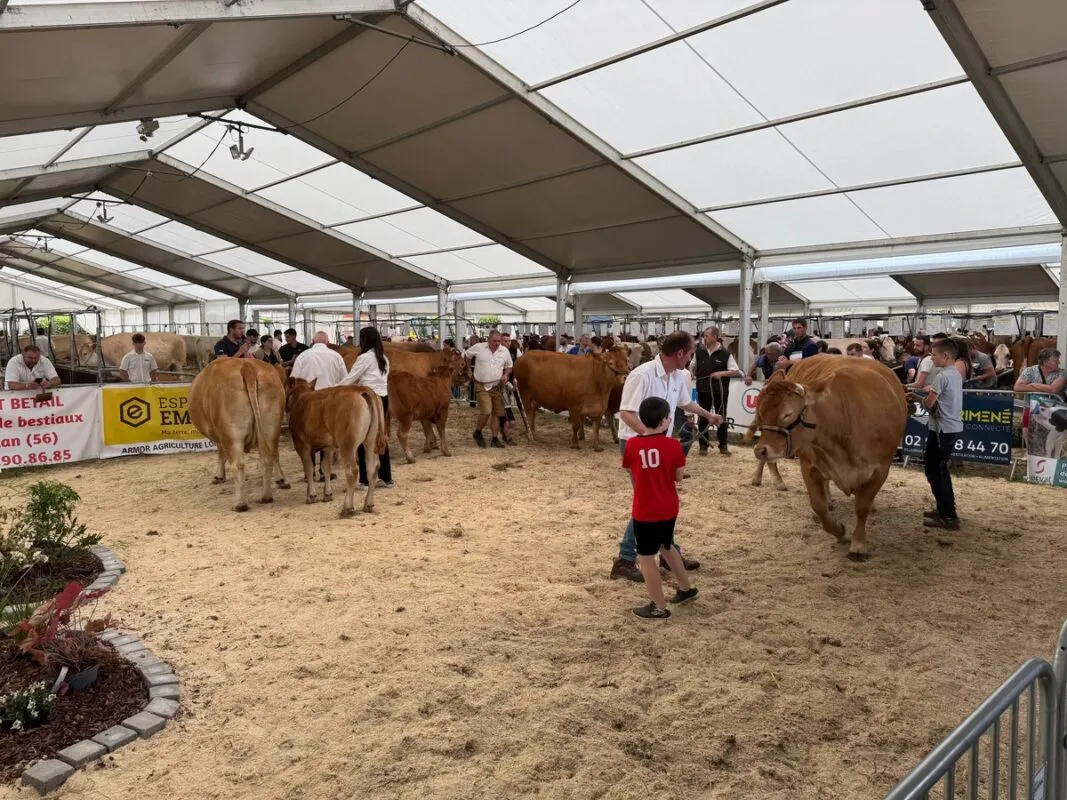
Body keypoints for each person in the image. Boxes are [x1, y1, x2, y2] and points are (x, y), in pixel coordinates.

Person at [610, 331, 722, 582]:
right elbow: (626, 413)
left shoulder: (677, 376)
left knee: (658, 502)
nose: (692, 359)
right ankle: (626, 559)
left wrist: (708, 415)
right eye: (691, 353)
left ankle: (668, 554)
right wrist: (653, 438)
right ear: (680, 353)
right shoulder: (642, 375)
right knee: (651, 503)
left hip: (656, 445)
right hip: (636, 444)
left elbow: (685, 403)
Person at [623, 396, 698, 620]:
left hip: (645, 509)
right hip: (668, 506)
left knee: (646, 558)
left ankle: (658, 606)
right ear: (665, 421)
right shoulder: (673, 445)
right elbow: (679, 477)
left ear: (642, 419)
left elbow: (632, 473)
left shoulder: (632, 445)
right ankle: (686, 589)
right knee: (667, 545)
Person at [908, 339, 962, 531]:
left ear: (945, 356)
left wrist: (916, 400)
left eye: (934, 355)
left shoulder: (941, 376)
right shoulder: (955, 373)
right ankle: (946, 509)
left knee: (934, 471)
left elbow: (930, 405)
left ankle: (947, 516)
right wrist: (919, 397)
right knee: (941, 470)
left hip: (941, 429)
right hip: (951, 427)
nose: (932, 358)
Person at [339, 326, 394, 490]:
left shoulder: (364, 358)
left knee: (363, 438)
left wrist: (332, 388)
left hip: (368, 398)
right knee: (380, 436)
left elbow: (351, 378)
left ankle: (363, 479)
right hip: (383, 399)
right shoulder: (383, 358)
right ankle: (386, 477)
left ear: (365, 340)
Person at [291, 332, 349, 480]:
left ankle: (310, 472)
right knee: (327, 434)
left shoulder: (303, 356)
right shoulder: (336, 356)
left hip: (307, 401)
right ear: (328, 343)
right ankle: (325, 472)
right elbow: (344, 379)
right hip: (330, 400)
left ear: (312, 341)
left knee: (306, 434)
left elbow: (294, 379)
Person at [693, 327, 741, 456]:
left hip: (720, 390)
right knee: (703, 417)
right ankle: (703, 446)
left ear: (714, 337)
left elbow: (736, 371)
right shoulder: (699, 352)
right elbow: (692, 366)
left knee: (721, 417)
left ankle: (723, 446)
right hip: (703, 389)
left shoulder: (725, 354)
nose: (705, 338)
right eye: (704, 336)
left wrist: (721, 373)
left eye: (707, 336)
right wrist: (691, 373)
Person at [463, 329, 513, 449]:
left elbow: (509, 366)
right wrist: (469, 369)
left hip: (497, 386)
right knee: (486, 410)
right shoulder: (479, 347)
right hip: (481, 384)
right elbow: (467, 355)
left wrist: (506, 375)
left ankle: (494, 438)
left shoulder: (504, 350)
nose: (497, 343)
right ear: (488, 340)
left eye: (498, 341)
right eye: (494, 341)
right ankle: (478, 432)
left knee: (497, 412)